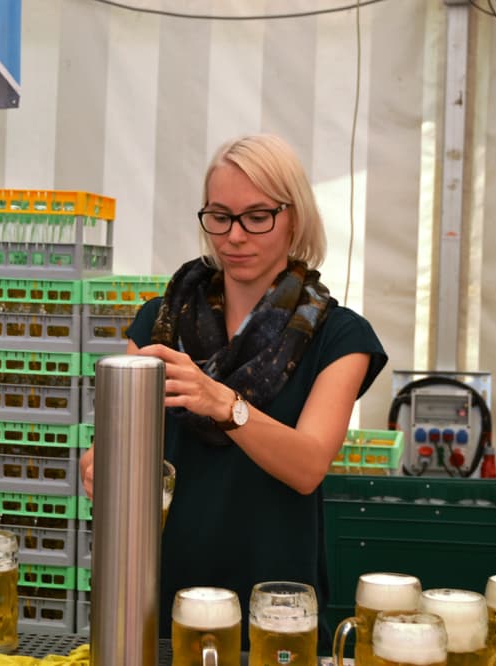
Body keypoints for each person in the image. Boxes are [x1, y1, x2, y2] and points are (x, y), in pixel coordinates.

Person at [79, 134, 387, 649]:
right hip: (161, 600)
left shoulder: (339, 336)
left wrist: (223, 402)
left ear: (294, 219)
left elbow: (308, 467)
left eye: (257, 216)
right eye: (219, 217)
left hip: (274, 609)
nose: (235, 236)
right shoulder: (159, 322)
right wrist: (98, 464)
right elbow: (115, 447)